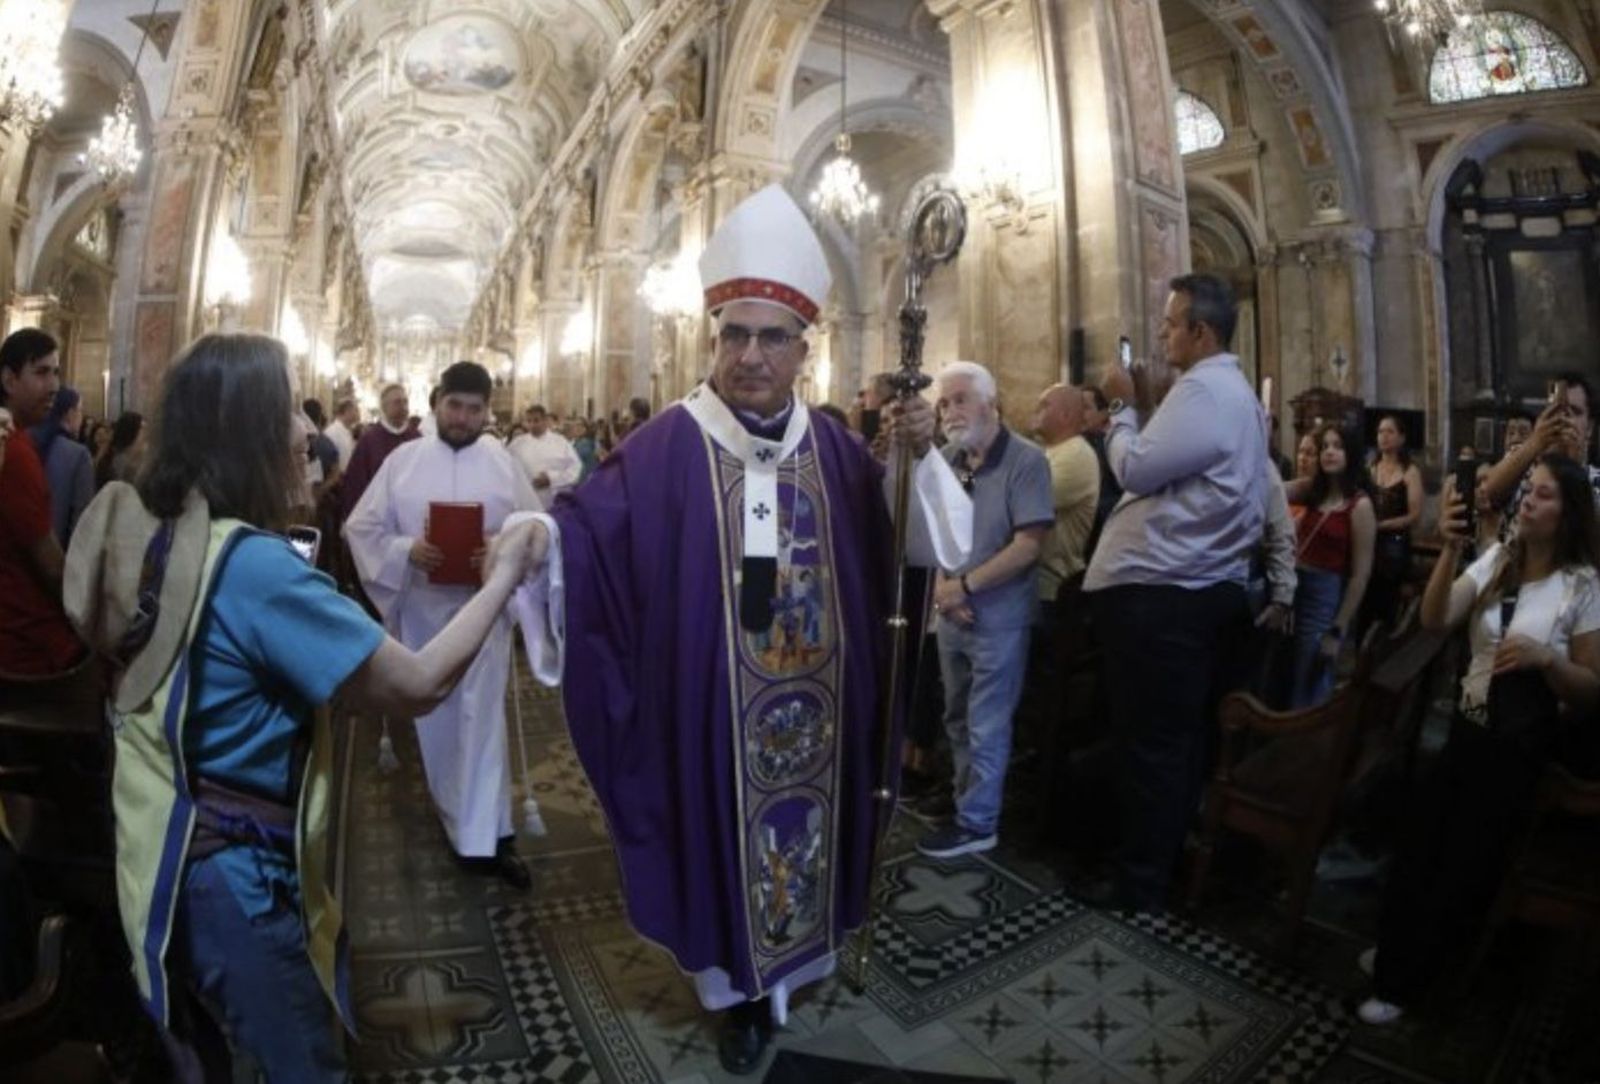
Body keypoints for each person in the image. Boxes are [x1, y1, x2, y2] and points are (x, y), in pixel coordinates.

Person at [508, 184, 954, 1075]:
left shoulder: (833, 449)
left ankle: (799, 962)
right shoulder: (667, 444)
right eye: (734, 334)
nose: (750, 355)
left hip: (818, 708)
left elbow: (912, 548)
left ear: (803, 349)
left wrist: (917, 456)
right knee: (722, 830)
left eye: (771, 337)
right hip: (715, 706)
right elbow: (591, 533)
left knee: (804, 840)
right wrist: (540, 538)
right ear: (714, 339)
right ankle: (742, 992)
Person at [62, 332, 541, 1082]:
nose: (309, 433)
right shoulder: (255, 568)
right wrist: (501, 578)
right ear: (246, 434)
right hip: (235, 876)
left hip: (162, 840)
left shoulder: (172, 529)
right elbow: (416, 686)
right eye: (289, 411)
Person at [1358, 454, 1600, 1027]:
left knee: (1464, 864)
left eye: (1541, 494)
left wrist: (1546, 660)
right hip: (1469, 724)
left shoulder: (1583, 586)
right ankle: (1399, 952)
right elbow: (1438, 618)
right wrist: (1448, 549)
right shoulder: (1500, 559)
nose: (1526, 501)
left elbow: (1591, 689)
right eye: (1528, 492)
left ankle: (1413, 980)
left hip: (1517, 745)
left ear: (1567, 512)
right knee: (1421, 844)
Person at [1083, 274, 1275, 912]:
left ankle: (1140, 881)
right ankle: (1149, 865)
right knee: (1167, 742)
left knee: (1152, 746)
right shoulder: (1225, 393)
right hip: (1181, 592)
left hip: (1163, 596)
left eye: (1170, 324)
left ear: (1202, 332)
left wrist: (1120, 408)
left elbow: (1134, 468)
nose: (1162, 333)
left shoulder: (1207, 390)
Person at [345, 361, 540, 889]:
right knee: (442, 724)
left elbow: (536, 530)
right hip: (426, 616)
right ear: (437, 404)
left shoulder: (503, 464)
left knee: (484, 722)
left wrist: (499, 548)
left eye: (475, 409)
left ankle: (486, 837)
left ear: (487, 413)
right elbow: (360, 527)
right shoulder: (404, 461)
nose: (463, 417)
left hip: (485, 615)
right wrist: (408, 549)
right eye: (455, 406)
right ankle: (463, 821)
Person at [918, 362, 1051, 860]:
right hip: (952, 611)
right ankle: (963, 800)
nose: (950, 411)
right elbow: (929, 534)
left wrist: (965, 588)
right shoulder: (946, 459)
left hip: (997, 616)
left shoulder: (1026, 460)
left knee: (987, 721)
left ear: (990, 403)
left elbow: (1028, 545)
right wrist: (941, 591)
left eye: (959, 399)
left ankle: (979, 823)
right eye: (944, 403)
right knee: (955, 716)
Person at [0, 328, 82, 676]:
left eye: (57, 373)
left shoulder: (16, 443)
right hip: (24, 642)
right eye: (41, 372)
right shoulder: (14, 451)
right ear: (9, 379)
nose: (54, 387)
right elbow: (51, 566)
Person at [1285, 424, 1376, 708]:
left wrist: (1338, 629)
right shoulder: (1313, 490)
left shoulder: (1359, 505)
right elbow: (1272, 489)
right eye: (1325, 446)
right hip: (1292, 590)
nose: (1329, 452)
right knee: (1283, 673)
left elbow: (1360, 575)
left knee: (1308, 678)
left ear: (1350, 453)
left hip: (1323, 597)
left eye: (1337, 446)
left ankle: (1305, 747)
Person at [1483, 373, 1600, 533]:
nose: (1565, 418)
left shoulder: (1597, 480)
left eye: (1575, 411)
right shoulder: (1523, 463)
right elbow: (1488, 493)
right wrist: (1536, 442)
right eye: (1557, 410)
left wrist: (1575, 467)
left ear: (1590, 428)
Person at [1032, 383, 1100, 603]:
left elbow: (1025, 503)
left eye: (1044, 406)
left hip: (1051, 585)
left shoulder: (1076, 454)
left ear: (1065, 415)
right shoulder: (1050, 452)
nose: (1035, 410)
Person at [1362, 414, 1423, 636]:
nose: (1383, 436)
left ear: (1401, 438)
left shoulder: (1410, 471)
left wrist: (1383, 525)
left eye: (1389, 432)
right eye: (1380, 432)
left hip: (1394, 544)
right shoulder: (1370, 467)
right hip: (1369, 541)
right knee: (1365, 599)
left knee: (1385, 599)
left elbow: (1414, 516)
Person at [340, 382, 418, 520]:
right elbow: (355, 482)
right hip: (376, 515)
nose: (404, 407)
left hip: (409, 514)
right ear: (384, 407)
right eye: (397, 403)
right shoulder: (369, 440)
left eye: (405, 402)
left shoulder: (416, 438)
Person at [30, 385, 95, 548]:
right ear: (70, 413)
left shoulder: (27, 441)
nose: (82, 417)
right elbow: (81, 520)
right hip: (58, 554)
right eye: (80, 410)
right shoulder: (79, 454)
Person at [506, 403, 582, 509]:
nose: (532, 425)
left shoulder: (560, 442)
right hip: (525, 501)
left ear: (545, 421)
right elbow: (505, 467)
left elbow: (575, 469)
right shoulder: (517, 444)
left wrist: (551, 479)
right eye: (529, 421)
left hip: (553, 501)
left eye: (536, 420)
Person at [97, 410, 145, 489]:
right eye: (142, 429)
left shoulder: (134, 460)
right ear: (131, 433)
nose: (146, 435)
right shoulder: (119, 464)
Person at [323, 398, 358, 472]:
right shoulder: (332, 432)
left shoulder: (347, 431)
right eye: (356, 410)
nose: (357, 414)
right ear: (348, 411)